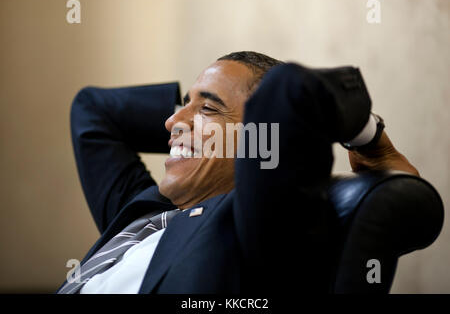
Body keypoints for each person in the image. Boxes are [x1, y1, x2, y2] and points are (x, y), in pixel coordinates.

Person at [57, 51, 418, 294]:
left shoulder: (255, 226)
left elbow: (290, 89)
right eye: (183, 107)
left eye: (210, 108)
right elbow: (92, 110)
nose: (169, 122)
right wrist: (197, 121)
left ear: (262, 141)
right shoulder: (143, 211)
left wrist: (369, 139)